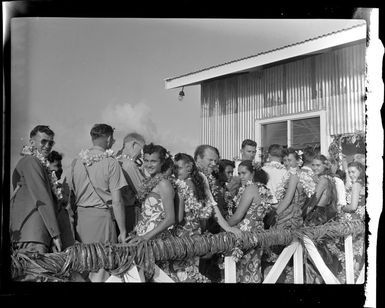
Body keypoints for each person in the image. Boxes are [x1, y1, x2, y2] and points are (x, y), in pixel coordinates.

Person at [164, 153, 240, 282]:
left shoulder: (182, 186)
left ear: (189, 168)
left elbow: (179, 216)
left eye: (178, 168)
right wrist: (227, 227)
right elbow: (212, 206)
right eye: (174, 168)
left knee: (180, 273)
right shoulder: (198, 181)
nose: (175, 171)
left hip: (182, 234)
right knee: (191, 271)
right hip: (196, 233)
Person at [70, 124, 127, 282]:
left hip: (81, 220)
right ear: (108, 139)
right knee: (102, 267)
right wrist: (122, 231)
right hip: (102, 220)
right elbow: (117, 201)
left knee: (82, 265)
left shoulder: (76, 162)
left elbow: (69, 195)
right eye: (113, 139)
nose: (113, 141)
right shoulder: (111, 163)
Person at [10, 125, 62, 280]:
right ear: (31, 143)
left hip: (31, 235)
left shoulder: (33, 162)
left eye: (50, 143)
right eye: (43, 141)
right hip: (33, 235)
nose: (47, 146)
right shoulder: (31, 161)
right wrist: (56, 234)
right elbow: (42, 197)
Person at [226, 160, 274, 283]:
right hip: (258, 233)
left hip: (244, 234)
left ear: (253, 173)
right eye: (239, 173)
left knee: (241, 272)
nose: (240, 177)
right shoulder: (264, 188)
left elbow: (238, 216)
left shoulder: (251, 188)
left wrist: (223, 226)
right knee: (253, 270)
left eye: (244, 173)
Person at [328, 161, 366, 283]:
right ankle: (354, 279)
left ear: (360, 171)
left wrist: (342, 207)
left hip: (353, 221)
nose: (351, 175)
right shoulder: (363, 183)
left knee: (351, 255)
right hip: (359, 222)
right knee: (357, 255)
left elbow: (353, 206)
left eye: (353, 172)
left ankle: (350, 279)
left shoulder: (356, 185)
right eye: (349, 172)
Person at [116, 132, 146, 232]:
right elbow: (143, 191)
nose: (141, 154)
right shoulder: (129, 164)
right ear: (134, 144)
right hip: (128, 211)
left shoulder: (115, 160)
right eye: (141, 149)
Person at [46, 151, 76, 250]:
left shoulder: (61, 186)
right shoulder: (45, 188)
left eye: (60, 166)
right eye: (56, 165)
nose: (59, 169)